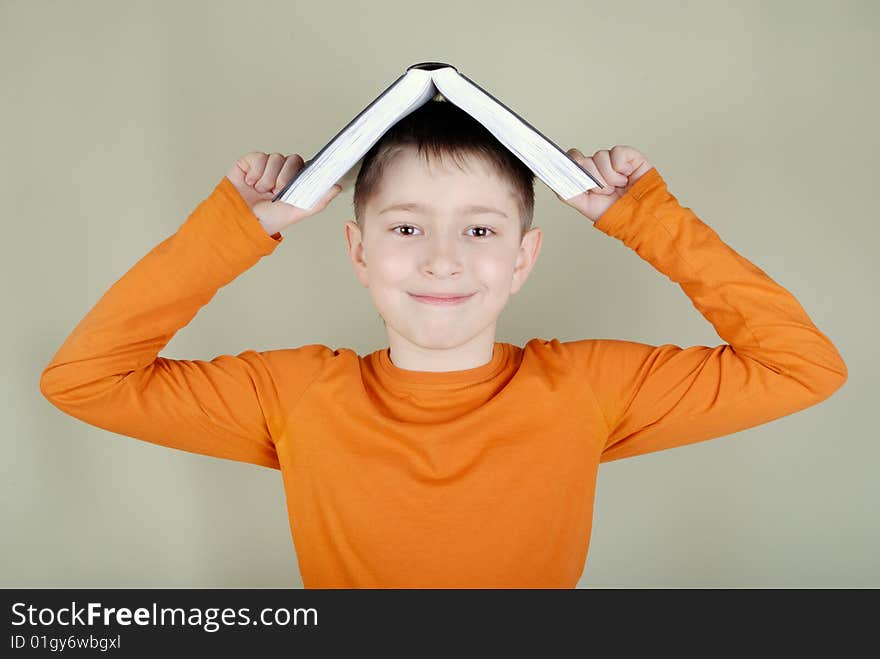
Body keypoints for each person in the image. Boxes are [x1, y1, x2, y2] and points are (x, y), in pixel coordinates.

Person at [39, 100, 848, 588]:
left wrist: (644, 216)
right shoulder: (292, 397)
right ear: (358, 251)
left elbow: (801, 366)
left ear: (523, 257)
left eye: (481, 228)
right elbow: (84, 380)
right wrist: (238, 226)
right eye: (405, 226)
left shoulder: (590, 386)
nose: (442, 256)